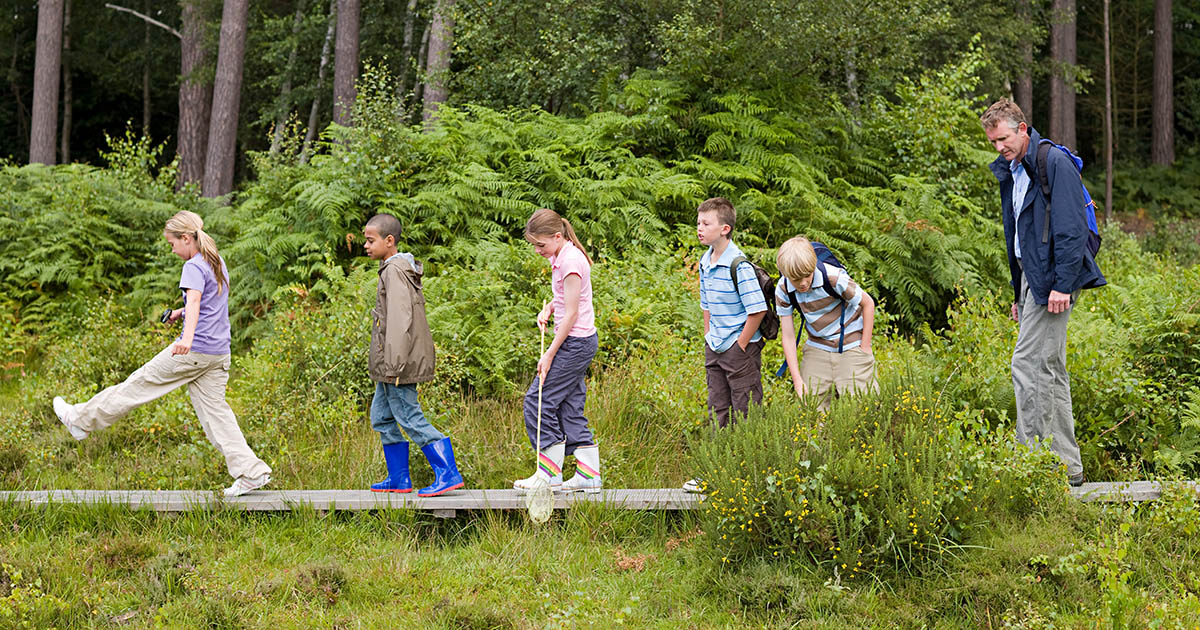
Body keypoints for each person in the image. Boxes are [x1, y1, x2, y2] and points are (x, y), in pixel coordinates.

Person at [52, 210, 272, 497]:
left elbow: (195, 302)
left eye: (172, 244)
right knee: (217, 415)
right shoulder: (215, 259)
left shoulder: (193, 266)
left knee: (137, 385)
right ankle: (251, 473)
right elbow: (208, 302)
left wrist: (187, 337)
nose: (172, 249)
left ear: (185, 238)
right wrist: (178, 314)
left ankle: (80, 421)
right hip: (218, 353)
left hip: (194, 350)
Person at [980, 99, 1106, 487]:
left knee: (1028, 364)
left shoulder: (1053, 163)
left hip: (1054, 280)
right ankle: (1067, 466)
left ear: (1022, 129)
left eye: (1002, 139)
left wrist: (1061, 285)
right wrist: (1019, 292)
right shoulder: (1014, 169)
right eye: (992, 142)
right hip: (1033, 280)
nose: (998, 147)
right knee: (1049, 369)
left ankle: (1031, 464)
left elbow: (1070, 230)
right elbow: (1018, 236)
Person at [362, 213, 464, 497]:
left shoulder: (395, 271)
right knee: (381, 416)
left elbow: (399, 319)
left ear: (389, 241)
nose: (366, 246)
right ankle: (399, 479)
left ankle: (447, 471)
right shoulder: (393, 268)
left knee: (408, 415)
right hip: (390, 362)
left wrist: (394, 364)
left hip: (398, 362)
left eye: (371, 241)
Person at [512, 208, 602, 494]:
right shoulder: (560, 256)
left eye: (541, 244)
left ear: (558, 236)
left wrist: (549, 354)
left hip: (575, 342)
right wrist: (549, 307)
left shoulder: (571, 262)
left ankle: (548, 475)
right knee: (569, 406)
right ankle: (589, 476)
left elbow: (573, 313)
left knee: (537, 401)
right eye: (534, 245)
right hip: (576, 340)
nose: (538, 250)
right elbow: (566, 300)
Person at [684, 197, 767, 493]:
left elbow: (757, 310)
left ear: (725, 228)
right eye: (698, 223)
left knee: (746, 410)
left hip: (738, 349)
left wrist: (740, 345)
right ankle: (715, 473)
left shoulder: (738, 264)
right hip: (715, 345)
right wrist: (709, 334)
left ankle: (747, 477)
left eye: (706, 224)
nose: (699, 228)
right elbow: (706, 303)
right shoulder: (706, 260)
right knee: (717, 408)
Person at [775, 236, 877, 410]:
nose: (803, 283)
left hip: (851, 342)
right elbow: (788, 336)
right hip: (817, 345)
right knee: (810, 409)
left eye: (807, 276)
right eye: (796, 279)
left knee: (863, 408)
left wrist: (865, 348)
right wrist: (797, 380)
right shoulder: (783, 289)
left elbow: (868, 303)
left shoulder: (834, 278)